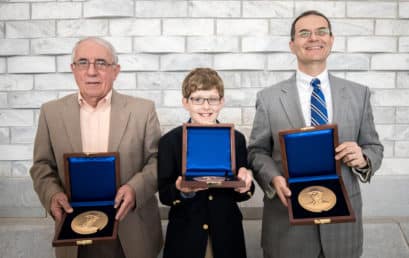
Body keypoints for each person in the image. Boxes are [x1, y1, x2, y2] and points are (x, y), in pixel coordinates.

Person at [248, 10, 384, 258]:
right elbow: (257, 151)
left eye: (321, 32)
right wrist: (272, 178)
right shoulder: (268, 98)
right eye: (304, 33)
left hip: (343, 230)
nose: (314, 38)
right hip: (286, 227)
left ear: (331, 40)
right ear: (292, 45)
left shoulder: (358, 94)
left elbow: (374, 147)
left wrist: (363, 157)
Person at [30, 37, 162, 258]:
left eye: (101, 63)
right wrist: (52, 195)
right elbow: (42, 165)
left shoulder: (142, 111)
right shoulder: (51, 113)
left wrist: (135, 190)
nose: (91, 71)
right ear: (73, 69)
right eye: (83, 62)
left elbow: (158, 160)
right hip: (74, 234)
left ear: (116, 70)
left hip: (130, 232)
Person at [157, 68, 255, 258]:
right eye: (197, 99)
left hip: (227, 235)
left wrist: (245, 185)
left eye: (213, 99)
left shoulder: (237, 139)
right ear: (185, 102)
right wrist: (182, 192)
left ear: (222, 102)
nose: (206, 106)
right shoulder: (170, 141)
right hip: (186, 237)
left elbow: (245, 194)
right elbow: (164, 195)